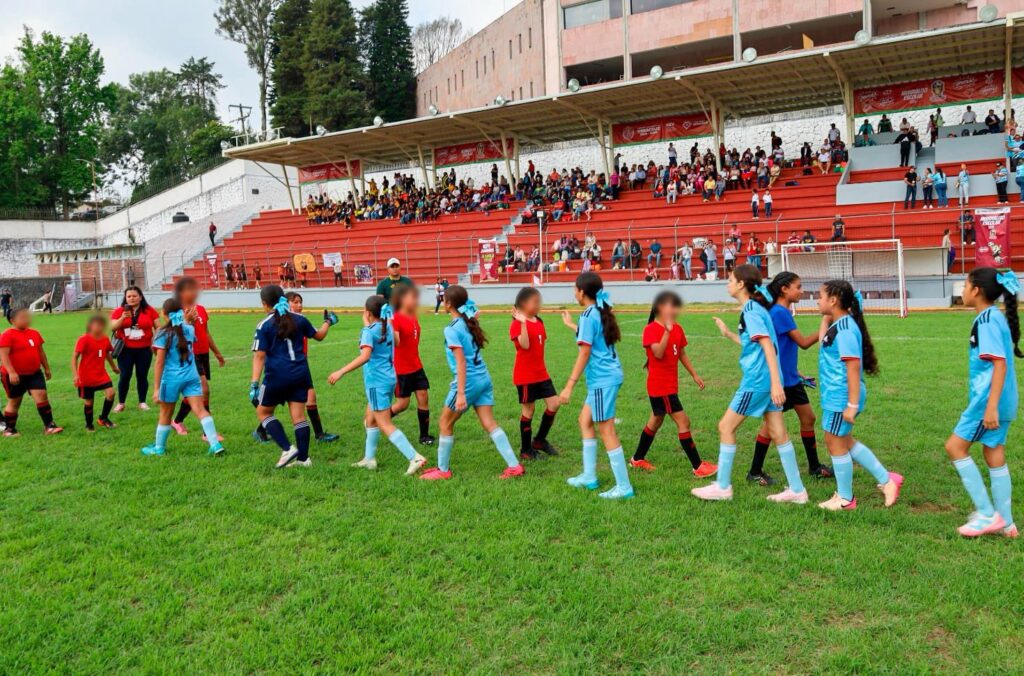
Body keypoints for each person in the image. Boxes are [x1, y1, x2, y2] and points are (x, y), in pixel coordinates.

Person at [692, 265, 808, 503]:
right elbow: (754, 344)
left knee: (726, 427)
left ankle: (723, 487)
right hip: (765, 380)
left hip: (758, 381)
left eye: (731, 279)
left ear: (741, 284)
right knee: (779, 432)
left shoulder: (752, 310)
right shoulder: (755, 308)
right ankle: (797, 490)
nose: (727, 283)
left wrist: (776, 385)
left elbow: (767, 346)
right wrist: (727, 334)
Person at [943, 267, 1020, 537]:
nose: (962, 291)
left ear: (976, 290)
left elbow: (998, 364)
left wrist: (989, 407)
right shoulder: (995, 317)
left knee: (954, 447)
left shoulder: (986, 320)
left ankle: (987, 514)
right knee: (993, 450)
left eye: (965, 285)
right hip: (1006, 399)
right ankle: (1007, 523)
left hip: (989, 401)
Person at [419, 286, 524, 481]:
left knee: (444, 422)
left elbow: (461, 361)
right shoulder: (468, 322)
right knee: (489, 423)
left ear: (449, 304)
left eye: (444, 299)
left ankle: (443, 470)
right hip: (484, 378)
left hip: (468, 383)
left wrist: (460, 393)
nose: (442, 302)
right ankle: (514, 466)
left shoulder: (452, 328)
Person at [816, 280, 902, 510]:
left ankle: (846, 499)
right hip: (836, 394)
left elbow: (853, 367)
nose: (817, 300)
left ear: (833, 300)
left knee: (834, 443)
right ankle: (887, 480)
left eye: (821, 296)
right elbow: (823, 344)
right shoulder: (840, 324)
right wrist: (826, 317)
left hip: (841, 396)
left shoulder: (844, 328)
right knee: (844, 441)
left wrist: (852, 404)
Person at [745, 272, 831, 485]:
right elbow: (802, 342)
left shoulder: (779, 311)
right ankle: (755, 471)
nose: (801, 291)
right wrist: (827, 321)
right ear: (785, 289)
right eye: (798, 287)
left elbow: (781, 349)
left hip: (791, 379)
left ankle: (814, 467)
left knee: (808, 419)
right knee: (770, 426)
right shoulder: (779, 313)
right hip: (781, 383)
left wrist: (797, 372)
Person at [329, 295, 428, 475]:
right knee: (371, 419)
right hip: (390, 378)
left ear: (367, 312)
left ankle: (414, 457)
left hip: (376, 382)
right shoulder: (388, 326)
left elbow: (365, 356)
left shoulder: (369, 331)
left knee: (384, 423)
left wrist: (340, 371)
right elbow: (397, 343)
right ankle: (369, 459)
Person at [558, 273, 633, 500]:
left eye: (574, 288)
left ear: (582, 292)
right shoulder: (596, 312)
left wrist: (569, 386)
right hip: (606, 377)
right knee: (585, 420)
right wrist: (573, 325)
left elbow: (585, 351)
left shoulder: (589, 315)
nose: (574, 292)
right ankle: (590, 476)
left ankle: (624, 486)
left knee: (606, 429)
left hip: (603, 379)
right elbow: (593, 338)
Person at [629, 291, 716, 477]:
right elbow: (658, 354)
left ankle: (637, 459)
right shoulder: (651, 329)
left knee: (656, 420)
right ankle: (698, 466)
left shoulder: (677, 328)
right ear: (660, 308)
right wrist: (667, 332)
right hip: (661, 387)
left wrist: (694, 374)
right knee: (684, 421)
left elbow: (681, 353)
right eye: (671, 305)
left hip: (669, 385)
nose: (675, 309)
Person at [251, 285, 334, 469]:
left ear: (265, 304)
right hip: (300, 373)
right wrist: (328, 322)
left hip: (277, 375)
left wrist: (254, 383)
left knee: (263, 412)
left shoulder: (264, 325)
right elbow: (318, 336)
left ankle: (288, 448)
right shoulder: (299, 319)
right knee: (298, 415)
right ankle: (304, 459)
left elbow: (259, 356)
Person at [142, 299, 224, 456]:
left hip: (172, 378)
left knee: (165, 413)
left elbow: (159, 362)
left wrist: (156, 388)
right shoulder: (189, 329)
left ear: (164, 314)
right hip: (192, 376)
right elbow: (184, 333)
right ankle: (214, 443)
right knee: (200, 409)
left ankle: (159, 448)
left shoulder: (162, 333)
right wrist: (188, 321)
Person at [170, 278, 226, 438]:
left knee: (195, 393)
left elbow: (205, 333)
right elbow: (173, 335)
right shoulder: (176, 312)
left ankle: (177, 421)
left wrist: (216, 352)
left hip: (203, 354)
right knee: (204, 390)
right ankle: (207, 433)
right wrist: (187, 321)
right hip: (189, 355)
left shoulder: (200, 309)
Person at [510, 288, 560, 460]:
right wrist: (523, 322)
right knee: (528, 411)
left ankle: (539, 440)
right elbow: (524, 345)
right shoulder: (516, 324)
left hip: (541, 373)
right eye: (535, 302)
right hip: (525, 376)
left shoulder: (539, 321)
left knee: (554, 404)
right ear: (524, 304)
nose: (539, 305)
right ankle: (525, 450)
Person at [0, 308, 61, 436]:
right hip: (15, 375)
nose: (26, 320)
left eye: (27, 317)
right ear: (12, 320)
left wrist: (47, 368)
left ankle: (49, 426)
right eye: (22, 317)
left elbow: (40, 352)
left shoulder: (34, 333)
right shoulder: (7, 335)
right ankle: (10, 430)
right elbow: (3, 355)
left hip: (34, 373)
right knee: (15, 401)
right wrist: (11, 372)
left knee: (42, 395)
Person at [389, 284, 434, 445]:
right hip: (401, 369)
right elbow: (397, 342)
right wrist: (390, 326)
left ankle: (424, 436)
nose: (415, 300)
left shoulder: (412, 316)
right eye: (412, 297)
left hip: (416, 365)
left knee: (423, 396)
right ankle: (378, 420)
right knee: (402, 404)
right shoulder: (394, 318)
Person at [110, 286, 160, 413]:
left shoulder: (149, 310)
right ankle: (121, 403)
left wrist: (155, 341)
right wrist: (122, 318)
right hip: (125, 349)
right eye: (129, 296)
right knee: (125, 375)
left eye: (134, 296)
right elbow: (113, 327)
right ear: (125, 298)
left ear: (140, 297)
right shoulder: (119, 311)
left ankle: (142, 402)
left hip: (144, 349)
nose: (132, 298)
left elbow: (158, 327)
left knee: (142, 375)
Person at [72, 315, 118, 431]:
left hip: (101, 374)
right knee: (89, 401)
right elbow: (74, 357)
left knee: (111, 393)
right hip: (86, 376)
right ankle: (89, 425)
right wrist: (75, 375)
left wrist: (113, 367)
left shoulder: (105, 338)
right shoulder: (84, 339)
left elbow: (107, 353)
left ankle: (103, 418)